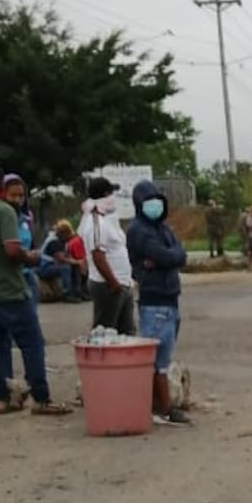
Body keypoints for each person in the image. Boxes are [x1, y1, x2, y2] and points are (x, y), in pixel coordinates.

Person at [0, 163, 71, 416]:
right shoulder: (3, 212)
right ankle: (40, 398)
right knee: (31, 342)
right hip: (9, 289)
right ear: (0, 185)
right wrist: (31, 257)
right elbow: (11, 250)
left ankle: (2, 398)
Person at [126, 180, 190, 426]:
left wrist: (168, 258)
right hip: (154, 300)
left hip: (170, 298)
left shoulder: (163, 229)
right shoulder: (138, 230)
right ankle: (161, 409)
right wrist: (167, 258)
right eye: (148, 200)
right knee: (156, 360)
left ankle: (160, 407)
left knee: (163, 355)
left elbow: (178, 254)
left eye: (156, 199)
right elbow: (166, 255)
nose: (154, 205)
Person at [79, 175, 136, 333]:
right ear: (104, 196)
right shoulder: (95, 223)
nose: (113, 198)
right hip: (108, 285)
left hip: (121, 283)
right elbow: (98, 256)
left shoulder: (107, 220)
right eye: (111, 194)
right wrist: (113, 283)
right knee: (104, 332)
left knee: (126, 331)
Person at [3, 174, 39, 307]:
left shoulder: (27, 218)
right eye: (12, 195)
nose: (17, 200)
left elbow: (33, 243)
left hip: (27, 274)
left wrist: (34, 254)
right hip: (8, 278)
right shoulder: (0, 217)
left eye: (21, 196)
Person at [35, 220, 80, 301]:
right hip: (44, 267)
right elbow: (61, 258)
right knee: (65, 268)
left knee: (74, 266)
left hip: (53, 265)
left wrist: (76, 262)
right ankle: (67, 294)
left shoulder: (62, 241)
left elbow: (67, 256)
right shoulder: (54, 241)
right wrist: (77, 262)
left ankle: (77, 291)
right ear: (63, 233)